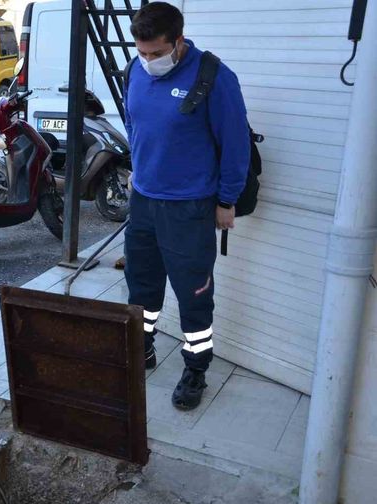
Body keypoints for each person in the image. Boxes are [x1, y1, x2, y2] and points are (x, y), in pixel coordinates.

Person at [123, 2, 250, 410]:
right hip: (143, 200)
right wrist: (138, 168)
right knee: (142, 285)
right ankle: (141, 347)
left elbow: (235, 145)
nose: (147, 61)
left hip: (190, 206)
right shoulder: (135, 71)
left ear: (179, 42)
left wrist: (227, 200)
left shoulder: (214, 77)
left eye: (156, 53)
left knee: (193, 292)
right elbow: (135, 124)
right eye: (141, 52)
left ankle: (196, 368)